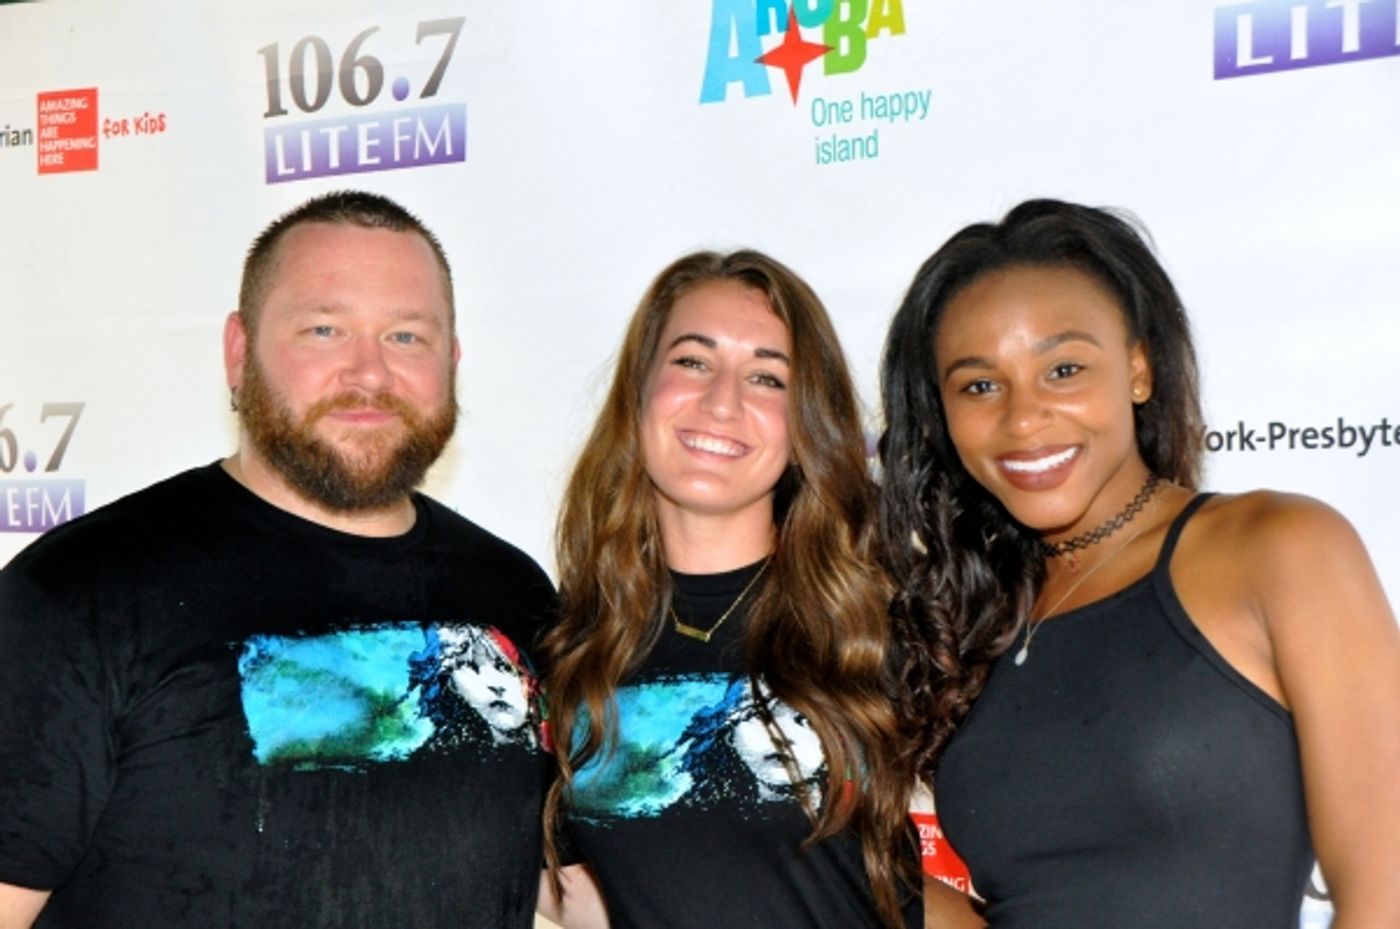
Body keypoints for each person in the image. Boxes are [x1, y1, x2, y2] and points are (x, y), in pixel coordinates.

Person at [0, 191, 556, 928]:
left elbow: (581, 878)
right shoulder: (78, 591)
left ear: (452, 360)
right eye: (324, 329)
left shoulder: (513, 598)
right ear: (240, 350)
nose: (370, 373)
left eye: (407, 337)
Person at [878, 198, 1400, 928]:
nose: (1024, 418)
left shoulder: (1278, 546)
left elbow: (1387, 888)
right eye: (980, 385)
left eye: (1063, 368)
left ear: (1139, 370)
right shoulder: (972, 621)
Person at [536, 250, 919, 929]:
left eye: (768, 377)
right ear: (638, 390)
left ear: (806, 422)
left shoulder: (882, 617)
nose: (722, 401)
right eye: (692, 361)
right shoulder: (575, 642)